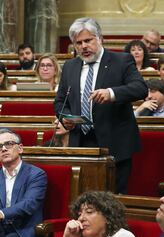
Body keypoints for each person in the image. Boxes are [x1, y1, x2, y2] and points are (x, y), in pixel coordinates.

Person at [54, 17, 147, 194]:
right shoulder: (70, 66)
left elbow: (140, 88)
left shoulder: (121, 60)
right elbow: (60, 101)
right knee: (83, 196)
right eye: (78, 43)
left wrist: (112, 93)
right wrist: (66, 118)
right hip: (80, 141)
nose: (83, 47)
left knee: (112, 199)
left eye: (88, 40)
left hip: (114, 143)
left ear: (100, 38)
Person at [0, 129, 47, 237]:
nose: (4, 149)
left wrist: (0, 214)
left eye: (9, 144)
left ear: (20, 148)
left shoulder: (36, 174)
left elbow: (29, 204)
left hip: (23, 231)